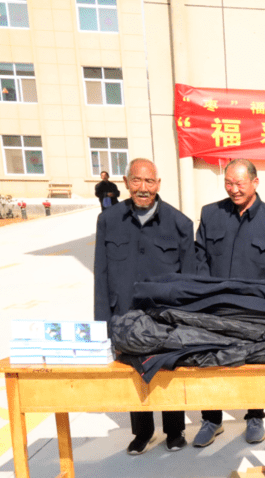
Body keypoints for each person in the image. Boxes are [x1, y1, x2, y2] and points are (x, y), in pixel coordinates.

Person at [93, 158, 195, 454]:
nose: (143, 188)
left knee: (167, 370)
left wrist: (187, 320)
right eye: (137, 180)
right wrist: (101, 324)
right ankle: (143, 431)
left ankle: (174, 430)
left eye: (149, 181)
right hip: (123, 312)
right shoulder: (109, 220)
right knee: (133, 371)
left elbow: (189, 278)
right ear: (126, 183)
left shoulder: (179, 223)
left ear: (158, 184)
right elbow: (101, 273)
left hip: (163, 316)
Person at [192, 158, 265, 447]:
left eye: (239, 183)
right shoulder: (211, 214)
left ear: (255, 183)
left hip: (253, 311)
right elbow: (200, 258)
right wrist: (204, 297)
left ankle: (255, 416)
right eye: (228, 183)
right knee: (209, 362)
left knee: (253, 363)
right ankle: (211, 419)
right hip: (214, 308)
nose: (234, 189)